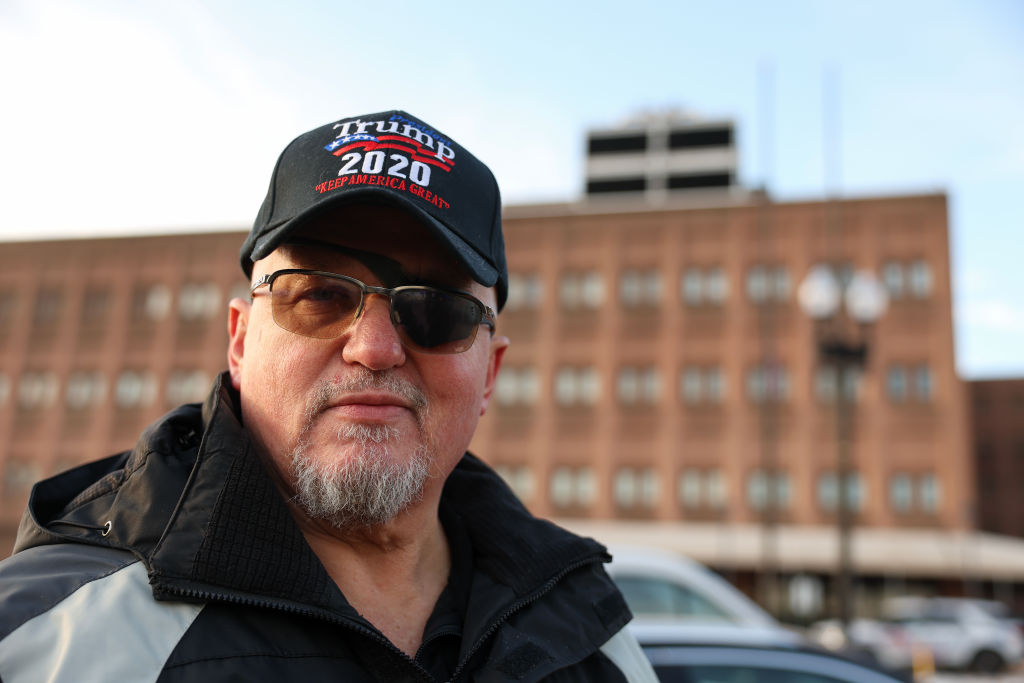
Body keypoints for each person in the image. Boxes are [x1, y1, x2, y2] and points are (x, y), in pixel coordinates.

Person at [0, 110, 656, 681]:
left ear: (490, 375)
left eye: (435, 311)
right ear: (240, 339)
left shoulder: (594, 638)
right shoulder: (49, 640)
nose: (372, 347)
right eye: (317, 294)